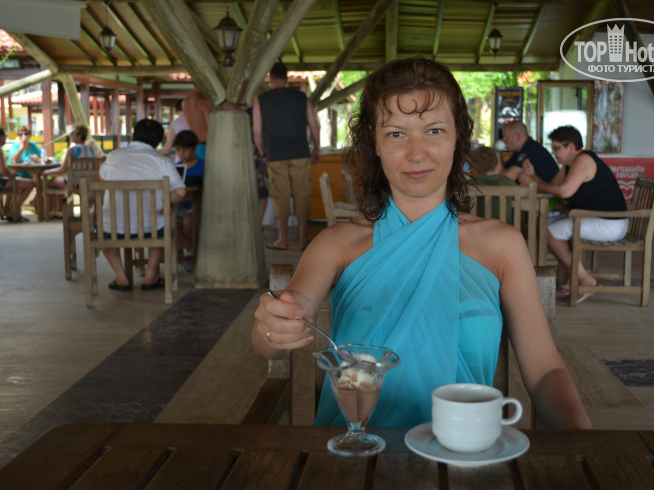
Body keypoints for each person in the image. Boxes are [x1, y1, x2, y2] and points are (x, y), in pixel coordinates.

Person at [252, 58, 591, 430]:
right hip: (356, 450)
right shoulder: (336, 244)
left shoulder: (502, 246)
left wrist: (583, 444)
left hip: (465, 448)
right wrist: (274, 326)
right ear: (375, 142)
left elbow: (544, 371)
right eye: (396, 134)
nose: (417, 153)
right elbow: (271, 342)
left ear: (458, 136)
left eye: (434, 130)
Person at [519, 125, 628, 303]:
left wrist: (532, 183)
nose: (553, 152)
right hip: (597, 219)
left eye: (556, 148)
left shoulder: (583, 160)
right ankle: (574, 278)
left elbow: (564, 191)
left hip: (609, 223)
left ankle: (586, 281)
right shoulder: (570, 164)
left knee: (549, 231)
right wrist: (534, 177)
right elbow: (553, 187)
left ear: (570, 146)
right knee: (546, 226)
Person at [99, 119, 186, 291]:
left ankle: (121, 278)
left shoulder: (113, 156)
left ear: (133, 135)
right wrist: (164, 202)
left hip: (113, 229)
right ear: (158, 141)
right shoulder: (162, 161)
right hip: (149, 228)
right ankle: (151, 276)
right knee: (162, 225)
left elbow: (102, 178)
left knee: (103, 233)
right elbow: (180, 192)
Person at [253, 62, 321, 251]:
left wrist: (263, 153)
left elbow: (257, 132)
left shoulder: (262, 100)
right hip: (300, 152)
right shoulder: (301, 98)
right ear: (287, 77)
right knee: (302, 194)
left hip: (275, 154)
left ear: (270, 78)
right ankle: (303, 239)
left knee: (280, 195)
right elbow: (314, 125)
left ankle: (283, 239)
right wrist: (316, 148)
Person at [172, 129, 204, 252]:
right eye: (178, 150)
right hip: (180, 206)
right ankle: (190, 250)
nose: (182, 153)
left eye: (185, 150)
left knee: (188, 221)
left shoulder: (203, 166)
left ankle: (190, 253)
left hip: (197, 206)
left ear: (194, 148)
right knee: (168, 222)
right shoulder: (176, 168)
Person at [43, 124, 95, 194]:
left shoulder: (72, 150)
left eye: (72, 133)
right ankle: (58, 200)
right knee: (54, 182)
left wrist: (46, 172)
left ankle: (41, 200)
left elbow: (62, 170)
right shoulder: (91, 149)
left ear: (79, 136)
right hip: (87, 183)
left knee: (44, 182)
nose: (70, 135)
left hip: (73, 184)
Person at [0, 126, 35, 222]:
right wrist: (13, 174)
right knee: (30, 184)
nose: (6, 138)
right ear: (1, 137)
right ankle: (14, 211)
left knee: (17, 184)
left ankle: (7, 210)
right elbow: (3, 170)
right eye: (5, 136)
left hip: (0, 180)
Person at [469, 145, 515, 221]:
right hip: (504, 227)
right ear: (498, 166)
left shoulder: (470, 184)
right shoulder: (508, 183)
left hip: (477, 227)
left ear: (473, 169)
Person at [183, 86, 211, 160]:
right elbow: (211, 125)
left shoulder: (186, 101)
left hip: (193, 144)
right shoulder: (204, 101)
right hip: (205, 144)